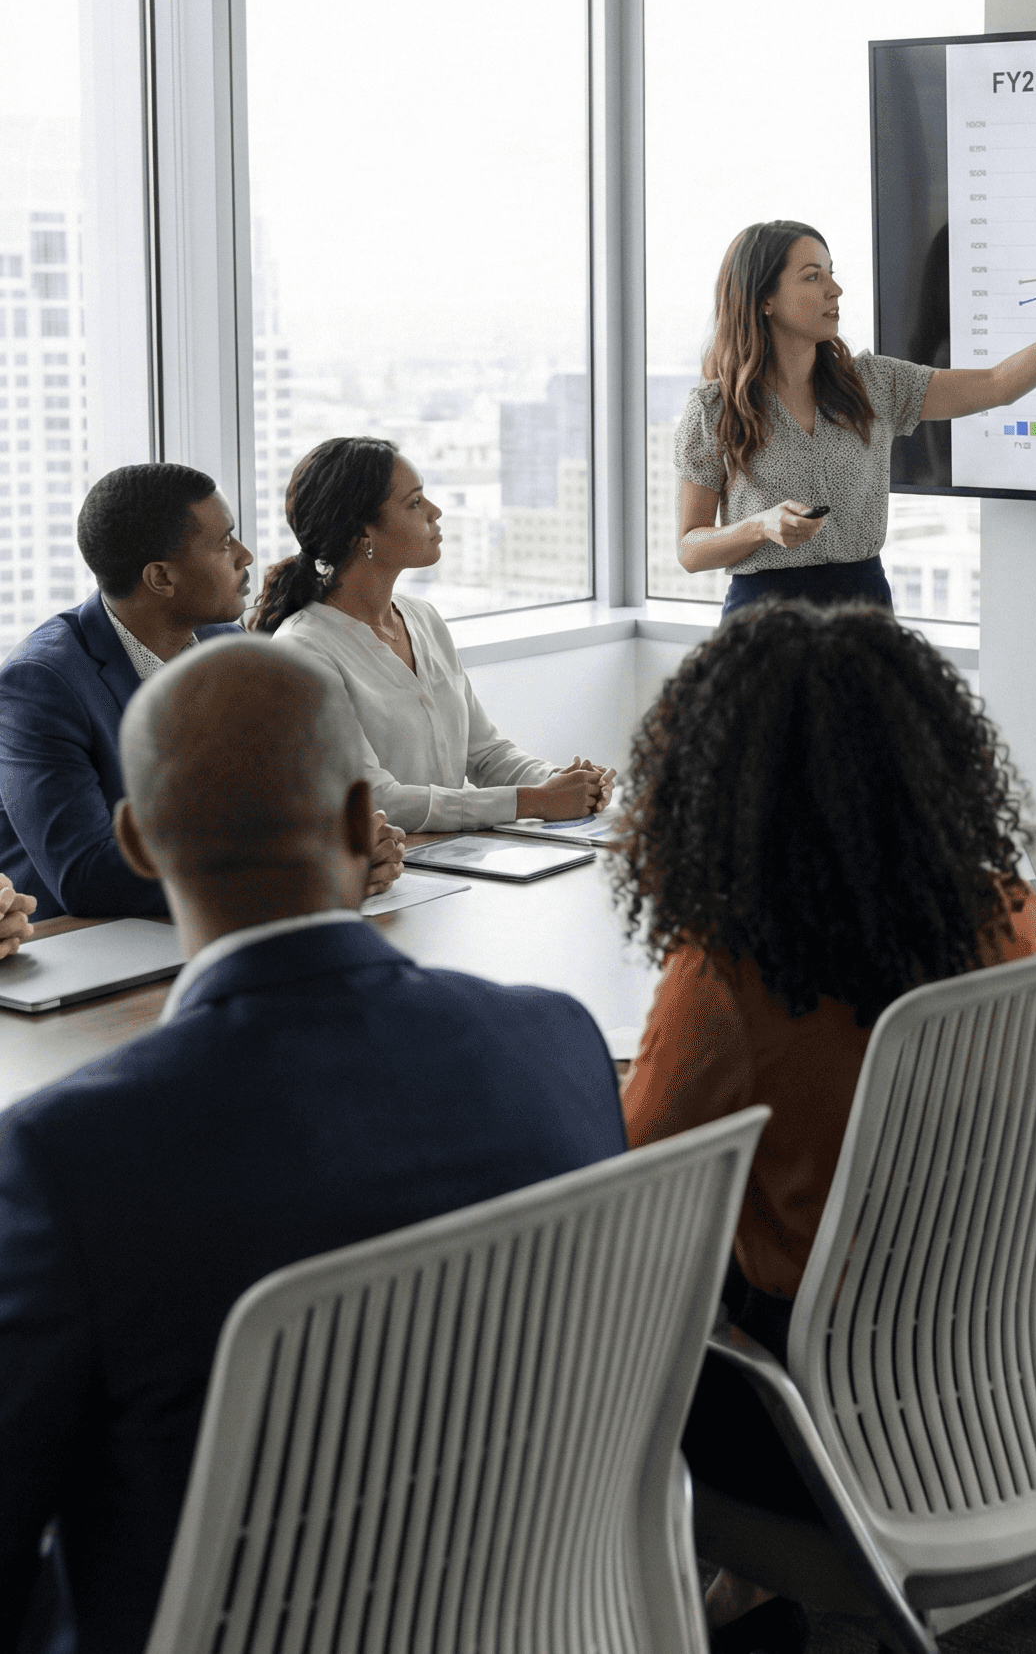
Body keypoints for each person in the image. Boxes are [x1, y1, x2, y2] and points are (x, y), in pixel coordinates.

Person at [0, 636, 626, 1654]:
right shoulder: (555, 1040)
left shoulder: (71, 1159)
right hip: (544, 1609)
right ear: (356, 817)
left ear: (138, 841)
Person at [617, 600, 1036, 1650]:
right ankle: (745, 1589)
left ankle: (705, 1595)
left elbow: (630, 1201)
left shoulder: (730, 972)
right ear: (930, 756)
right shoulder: (1009, 908)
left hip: (817, 1418)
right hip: (1021, 1368)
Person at [675, 220, 1036, 615]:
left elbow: (998, 385)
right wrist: (758, 526)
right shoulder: (713, 409)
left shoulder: (874, 385)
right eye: (812, 276)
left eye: (831, 272)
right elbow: (690, 549)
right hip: (761, 627)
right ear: (763, 299)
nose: (836, 289)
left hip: (864, 611)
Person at [252, 437, 613, 831]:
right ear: (362, 534)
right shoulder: (303, 649)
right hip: (384, 877)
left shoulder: (422, 618)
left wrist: (561, 782)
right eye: (415, 503)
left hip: (458, 863)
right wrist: (533, 801)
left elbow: (485, 754)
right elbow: (374, 797)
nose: (435, 511)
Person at [0, 464, 253, 919]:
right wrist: (289, 864)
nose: (245, 555)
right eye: (224, 544)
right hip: (84, 946)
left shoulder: (230, 646)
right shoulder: (40, 684)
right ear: (161, 578)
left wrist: (344, 847)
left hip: (202, 919)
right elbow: (88, 876)